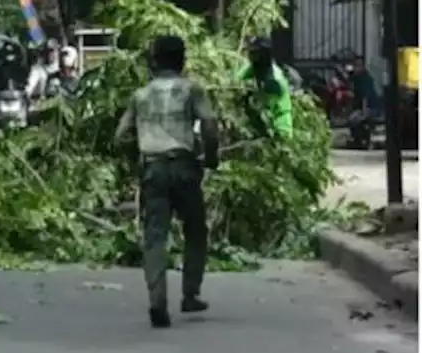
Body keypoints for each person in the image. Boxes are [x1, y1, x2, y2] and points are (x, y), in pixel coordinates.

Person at [114, 34, 219, 329]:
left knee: (155, 236)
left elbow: (119, 135)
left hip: (152, 168)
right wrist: (211, 157)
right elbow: (210, 125)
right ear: (183, 60)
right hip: (184, 166)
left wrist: (136, 156)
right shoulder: (191, 89)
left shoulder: (141, 95)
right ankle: (190, 293)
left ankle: (157, 300)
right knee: (196, 229)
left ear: (154, 61)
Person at [239, 37, 293, 139]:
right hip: (265, 122)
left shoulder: (274, 80)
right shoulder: (256, 67)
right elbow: (237, 79)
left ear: (263, 55)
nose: (250, 56)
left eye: (254, 53)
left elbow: (266, 106)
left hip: (279, 125)